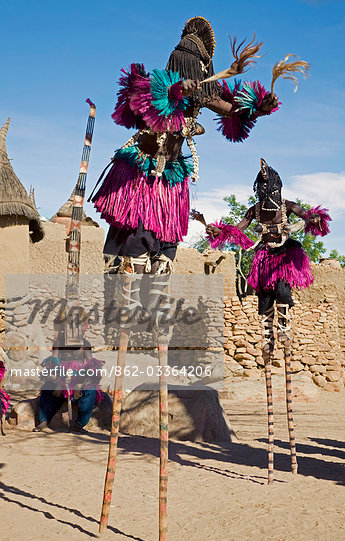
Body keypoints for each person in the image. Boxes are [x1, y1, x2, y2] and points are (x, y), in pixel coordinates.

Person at [89, 17, 279, 290]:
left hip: (171, 186)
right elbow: (148, 104)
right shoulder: (155, 89)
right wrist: (174, 91)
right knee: (133, 256)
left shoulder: (203, 95)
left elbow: (231, 109)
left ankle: (149, 327)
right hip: (142, 179)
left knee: (162, 262)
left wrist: (259, 107)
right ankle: (122, 326)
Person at [206, 158, 331, 350]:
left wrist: (313, 218)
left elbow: (304, 214)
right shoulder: (254, 211)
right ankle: (267, 337)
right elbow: (238, 229)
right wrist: (220, 231)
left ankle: (283, 328)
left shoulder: (287, 205)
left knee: (282, 290)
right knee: (264, 297)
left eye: (269, 187)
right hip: (264, 258)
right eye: (263, 188)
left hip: (284, 255)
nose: (266, 192)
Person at [33, 318, 103, 433]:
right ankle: (43, 421)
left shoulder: (85, 344)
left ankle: (80, 424)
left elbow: (91, 365)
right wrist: (56, 378)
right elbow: (54, 361)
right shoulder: (58, 343)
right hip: (62, 377)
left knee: (91, 390)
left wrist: (82, 383)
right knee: (47, 389)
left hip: (79, 378)